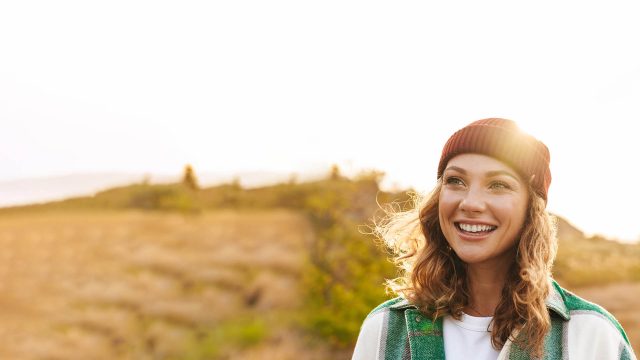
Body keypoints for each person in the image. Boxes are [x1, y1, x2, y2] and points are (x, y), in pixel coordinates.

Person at [352, 118, 636, 360]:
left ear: (531, 209)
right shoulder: (386, 328)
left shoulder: (591, 335)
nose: (471, 202)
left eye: (498, 185)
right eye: (455, 181)